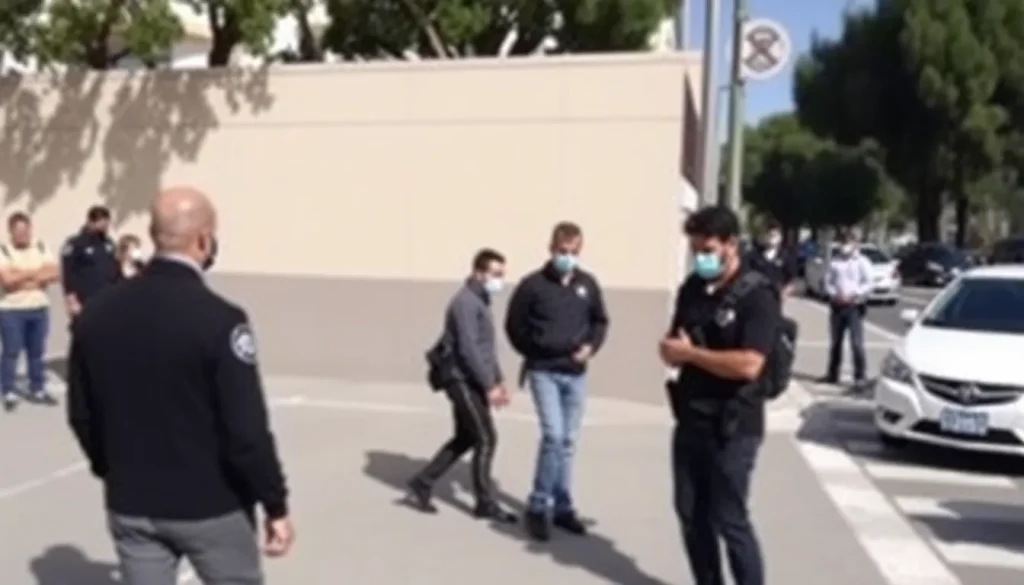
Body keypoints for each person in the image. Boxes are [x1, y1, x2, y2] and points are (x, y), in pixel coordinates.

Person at [66, 186, 294, 585]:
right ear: (204, 240)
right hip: (211, 505)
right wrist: (275, 503)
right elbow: (247, 432)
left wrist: (112, 469)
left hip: (132, 503)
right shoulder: (220, 320)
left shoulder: (97, 312)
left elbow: (81, 413)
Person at [659, 205, 779, 585]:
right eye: (696, 250)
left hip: (734, 425)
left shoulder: (758, 295)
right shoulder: (692, 289)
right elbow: (675, 342)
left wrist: (692, 355)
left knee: (729, 518)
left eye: (708, 250)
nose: (701, 258)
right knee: (690, 514)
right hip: (691, 417)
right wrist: (670, 350)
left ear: (731, 244)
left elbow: (750, 364)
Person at [505, 221, 610, 542]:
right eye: (562, 251)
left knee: (568, 442)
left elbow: (600, 321)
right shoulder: (532, 286)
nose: (567, 257)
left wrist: (591, 346)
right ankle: (538, 505)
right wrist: (536, 348)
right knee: (553, 435)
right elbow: (514, 326)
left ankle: (562, 506)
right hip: (544, 371)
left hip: (575, 373)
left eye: (573, 252)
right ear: (551, 249)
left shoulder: (587, 284)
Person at [406, 248, 517, 523]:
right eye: (495, 274)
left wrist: (498, 379)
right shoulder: (465, 303)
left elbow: (486, 348)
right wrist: (489, 385)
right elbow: (468, 349)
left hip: (473, 378)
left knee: (467, 436)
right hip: (461, 379)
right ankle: (485, 503)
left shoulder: (480, 301)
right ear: (478, 273)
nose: (499, 281)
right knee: (486, 438)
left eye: (502, 275)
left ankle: (423, 481)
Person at [0, 213, 60, 411]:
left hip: (39, 307)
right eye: (18, 231)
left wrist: (20, 274)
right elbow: (7, 281)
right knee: (11, 352)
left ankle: (37, 389)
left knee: (37, 352)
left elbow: (54, 273)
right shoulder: (3, 251)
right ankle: (8, 390)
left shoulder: (40, 246)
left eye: (26, 231)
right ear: (11, 232)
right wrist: (36, 275)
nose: (23, 235)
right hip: (11, 310)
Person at [821, 229, 873, 388]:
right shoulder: (835, 262)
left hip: (854, 307)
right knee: (835, 342)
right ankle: (832, 374)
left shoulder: (862, 262)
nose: (845, 245)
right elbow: (828, 282)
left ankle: (860, 376)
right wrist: (835, 294)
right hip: (837, 306)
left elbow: (868, 283)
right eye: (843, 242)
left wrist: (855, 294)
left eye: (848, 242)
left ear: (856, 244)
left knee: (856, 343)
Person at [60, 205, 120, 321]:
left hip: (107, 299)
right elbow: (68, 272)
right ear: (90, 223)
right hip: (85, 300)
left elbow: (115, 268)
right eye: (101, 225)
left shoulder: (108, 243)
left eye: (106, 225)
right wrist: (71, 300)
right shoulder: (76, 244)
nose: (104, 229)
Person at [746, 219, 797, 296]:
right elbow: (746, 276)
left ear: (780, 237)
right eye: (769, 235)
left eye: (774, 235)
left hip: (774, 298)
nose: (771, 238)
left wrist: (784, 293)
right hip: (756, 296)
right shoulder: (754, 255)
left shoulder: (785, 257)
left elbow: (791, 281)